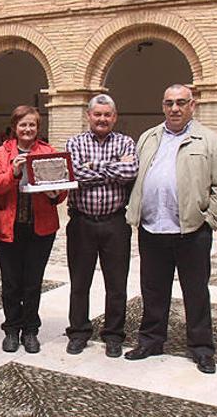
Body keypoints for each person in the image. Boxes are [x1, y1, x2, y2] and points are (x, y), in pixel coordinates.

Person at [125, 84, 217, 374]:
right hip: (152, 228)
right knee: (153, 290)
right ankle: (151, 340)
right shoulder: (148, 138)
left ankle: (201, 348)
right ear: (163, 106)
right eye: (169, 103)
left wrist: (210, 220)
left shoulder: (210, 141)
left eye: (181, 103)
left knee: (195, 291)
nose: (175, 108)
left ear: (192, 105)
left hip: (192, 231)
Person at [63, 94, 138, 357]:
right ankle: (79, 332)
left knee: (116, 284)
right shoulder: (74, 142)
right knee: (79, 282)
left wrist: (93, 166)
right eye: (98, 114)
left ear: (114, 117)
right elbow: (74, 173)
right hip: (81, 222)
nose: (102, 119)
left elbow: (130, 173)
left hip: (115, 223)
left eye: (107, 115)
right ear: (89, 116)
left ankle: (114, 335)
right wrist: (113, 168)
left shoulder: (126, 141)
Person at [0, 105, 67, 354]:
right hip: (7, 227)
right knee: (11, 283)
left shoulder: (48, 152)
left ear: (38, 127)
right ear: (15, 127)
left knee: (33, 282)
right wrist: (14, 171)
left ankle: (31, 330)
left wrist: (55, 192)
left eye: (32, 124)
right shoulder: (2, 153)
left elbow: (61, 189)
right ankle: (12, 329)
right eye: (23, 124)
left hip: (40, 228)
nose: (27, 129)